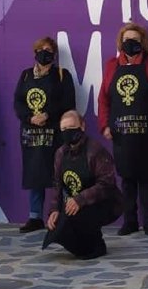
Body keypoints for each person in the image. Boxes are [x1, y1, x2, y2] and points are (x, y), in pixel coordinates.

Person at [97, 22, 148, 238]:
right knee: (127, 180)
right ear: (120, 43)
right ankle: (130, 222)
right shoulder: (112, 66)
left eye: (135, 39)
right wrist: (104, 125)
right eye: (127, 40)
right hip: (122, 135)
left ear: (143, 43)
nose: (130, 43)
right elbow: (103, 99)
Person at [15, 36, 76, 233]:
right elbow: (18, 102)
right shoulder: (26, 75)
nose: (44, 53)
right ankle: (35, 217)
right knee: (35, 174)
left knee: (61, 172)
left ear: (54, 54)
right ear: (35, 53)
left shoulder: (62, 75)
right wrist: (30, 118)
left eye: (49, 50)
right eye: (41, 49)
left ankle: (65, 213)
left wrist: (48, 114)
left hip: (55, 132)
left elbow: (68, 102)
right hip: (31, 133)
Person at [43, 110, 121, 260]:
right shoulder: (60, 153)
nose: (68, 132)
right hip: (74, 202)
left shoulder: (95, 150)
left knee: (81, 215)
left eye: (72, 127)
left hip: (102, 202)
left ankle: (97, 245)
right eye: (64, 129)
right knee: (56, 229)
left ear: (82, 126)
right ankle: (83, 247)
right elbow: (57, 184)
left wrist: (81, 199)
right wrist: (54, 210)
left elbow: (107, 183)